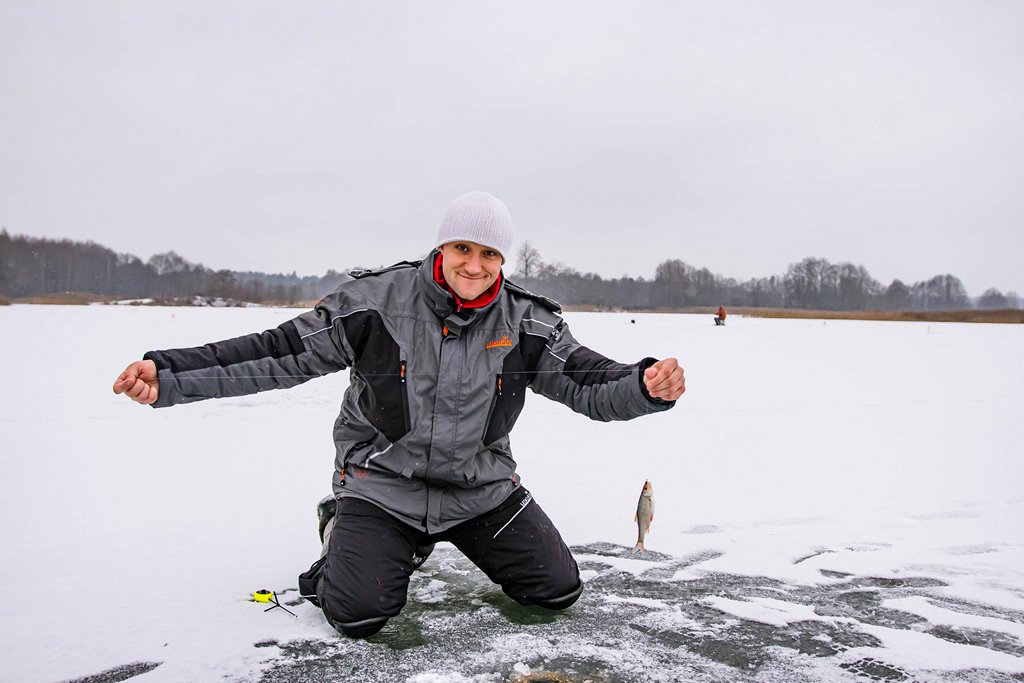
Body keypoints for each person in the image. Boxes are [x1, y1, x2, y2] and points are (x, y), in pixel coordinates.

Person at [112, 191, 686, 638]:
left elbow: (588, 381)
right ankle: (340, 525)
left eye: (489, 253)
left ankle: (433, 539)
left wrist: (645, 385)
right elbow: (278, 352)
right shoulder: (373, 304)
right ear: (442, 248)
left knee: (557, 590)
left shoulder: (528, 322)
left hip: (479, 489)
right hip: (383, 487)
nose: (474, 264)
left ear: (502, 260)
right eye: (463, 248)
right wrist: (170, 375)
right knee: (359, 614)